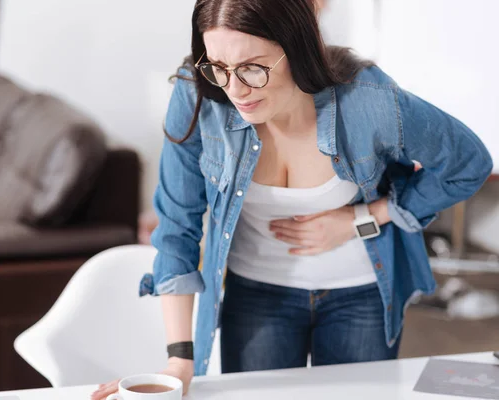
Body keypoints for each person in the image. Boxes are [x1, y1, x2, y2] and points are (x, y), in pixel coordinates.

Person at [92, 0, 492, 398]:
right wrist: (180, 359)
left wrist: (361, 219)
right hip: (255, 295)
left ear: (296, 48)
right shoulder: (197, 95)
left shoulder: (367, 99)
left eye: (253, 67)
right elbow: (177, 225)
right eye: (218, 66)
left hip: (361, 296)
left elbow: (467, 163)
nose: (234, 89)